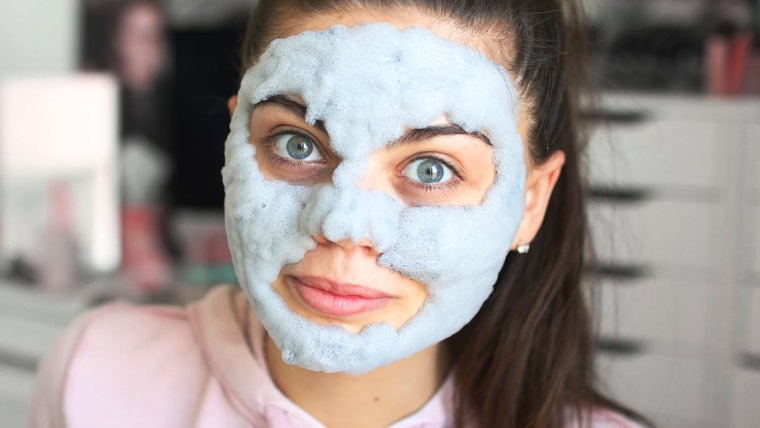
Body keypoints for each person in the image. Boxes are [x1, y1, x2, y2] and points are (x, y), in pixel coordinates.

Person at [29, 0, 652, 427]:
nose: (343, 224)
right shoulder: (95, 372)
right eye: (297, 145)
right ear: (234, 144)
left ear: (529, 202)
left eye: (431, 169)